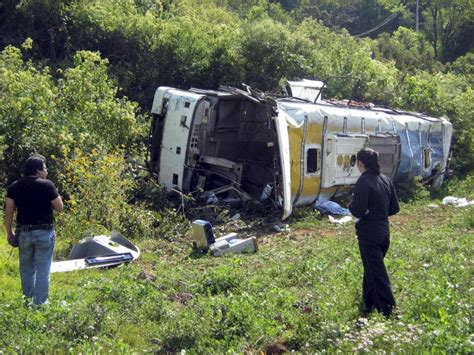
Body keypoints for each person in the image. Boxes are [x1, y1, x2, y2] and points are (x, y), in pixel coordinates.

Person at [4, 155, 63, 306]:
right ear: (37, 170)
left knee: (26, 270)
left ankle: (28, 301)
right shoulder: (47, 185)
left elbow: (9, 212)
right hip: (44, 233)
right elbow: (60, 208)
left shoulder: (15, 186)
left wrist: (9, 232)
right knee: (43, 270)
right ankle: (40, 304)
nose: (47, 171)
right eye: (44, 168)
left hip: (24, 233)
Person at [349, 148, 399, 317]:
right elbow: (395, 208)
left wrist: (351, 206)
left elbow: (357, 210)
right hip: (384, 232)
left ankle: (388, 310)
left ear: (360, 163)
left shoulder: (364, 181)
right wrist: (379, 213)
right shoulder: (385, 179)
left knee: (377, 274)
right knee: (371, 268)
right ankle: (367, 304)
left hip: (369, 233)